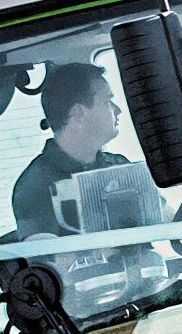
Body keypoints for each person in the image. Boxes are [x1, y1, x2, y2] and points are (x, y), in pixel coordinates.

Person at [8, 60, 125, 239]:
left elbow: (165, 217)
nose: (118, 110)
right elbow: (49, 262)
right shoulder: (34, 186)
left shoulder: (121, 167)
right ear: (79, 113)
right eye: (107, 101)